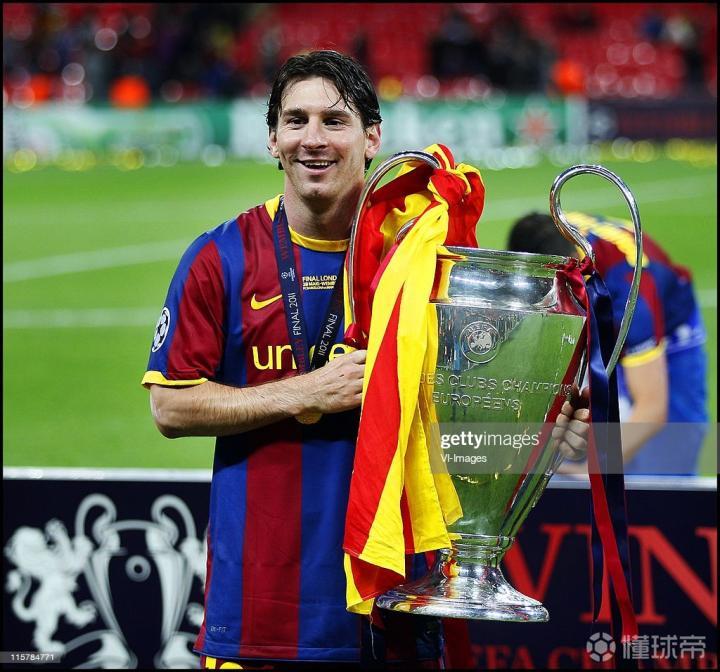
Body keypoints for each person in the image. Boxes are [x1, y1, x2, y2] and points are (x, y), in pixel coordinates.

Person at [142, 50, 591, 669]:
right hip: (262, 614)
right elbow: (170, 406)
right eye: (295, 121)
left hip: (397, 603)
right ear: (272, 139)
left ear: (372, 137)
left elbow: (460, 420)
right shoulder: (221, 257)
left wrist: (540, 429)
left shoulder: (424, 263)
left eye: (335, 121)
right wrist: (305, 392)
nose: (313, 139)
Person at [507, 211, 708, 475]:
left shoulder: (632, 296)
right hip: (604, 298)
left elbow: (652, 408)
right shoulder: (549, 237)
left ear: (573, 265)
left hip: (668, 329)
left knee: (668, 458)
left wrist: (590, 472)